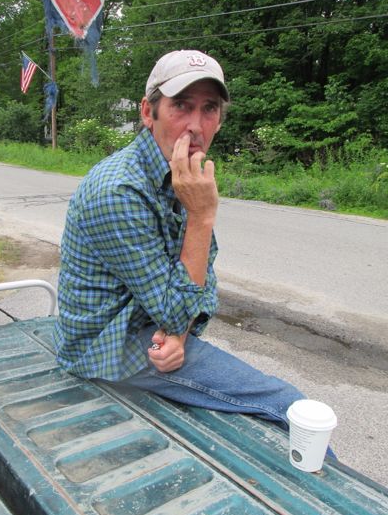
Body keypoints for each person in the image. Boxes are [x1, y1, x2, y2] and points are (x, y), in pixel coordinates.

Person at [54, 49, 305, 427]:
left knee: (281, 408)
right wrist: (202, 217)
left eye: (209, 108)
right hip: (109, 348)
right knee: (291, 406)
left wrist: (180, 335)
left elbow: (202, 274)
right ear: (147, 112)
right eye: (181, 106)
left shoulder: (179, 173)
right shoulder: (118, 191)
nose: (196, 126)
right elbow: (178, 306)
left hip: (153, 327)